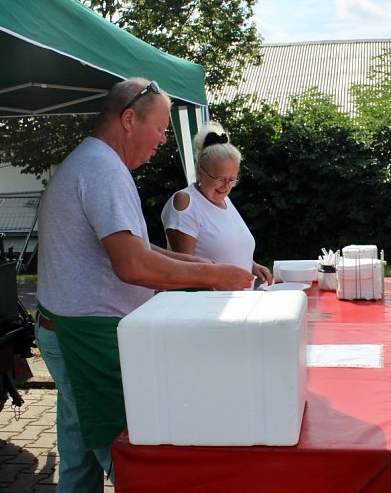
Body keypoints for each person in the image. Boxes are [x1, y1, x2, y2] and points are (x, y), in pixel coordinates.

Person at [35, 78, 254, 492]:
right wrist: (212, 274)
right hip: (85, 337)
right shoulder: (102, 169)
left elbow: (134, 243)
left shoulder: (95, 162)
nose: (163, 140)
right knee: (127, 453)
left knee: (81, 453)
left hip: (68, 330)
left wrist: (198, 262)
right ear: (129, 118)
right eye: (161, 128)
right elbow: (133, 265)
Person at [161, 122, 273, 286]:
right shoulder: (185, 201)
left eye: (232, 179)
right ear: (200, 172)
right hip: (207, 306)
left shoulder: (224, 199)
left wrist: (252, 265)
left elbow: (226, 250)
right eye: (220, 178)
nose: (226, 186)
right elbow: (184, 269)